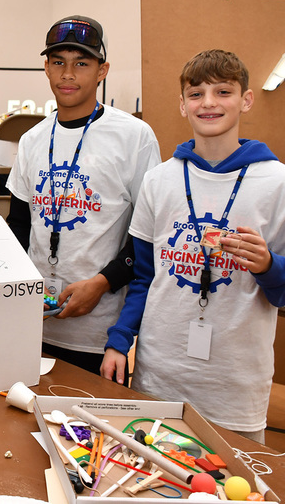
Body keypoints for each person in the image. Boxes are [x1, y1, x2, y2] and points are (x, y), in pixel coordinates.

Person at [101, 49, 285, 442]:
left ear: (246, 100)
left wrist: (269, 265)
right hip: (160, 374)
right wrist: (119, 340)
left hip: (235, 385)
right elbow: (144, 275)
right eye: (197, 93)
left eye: (223, 92)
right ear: (182, 104)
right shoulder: (160, 180)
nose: (209, 103)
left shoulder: (277, 183)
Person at [5, 15, 161, 375]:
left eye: (82, 63)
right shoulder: (32, 140)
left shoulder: (134, 137)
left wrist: (101, 284)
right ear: (46, 68)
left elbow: (149, 235)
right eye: (58, 62)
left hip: (97, 329)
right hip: (32, 322)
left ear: (102, 70)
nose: (68, 74)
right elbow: (17, 227)